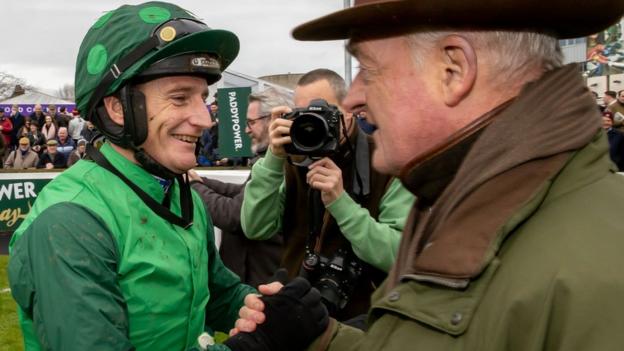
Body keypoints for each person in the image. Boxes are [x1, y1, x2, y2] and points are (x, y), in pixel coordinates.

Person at [232, 0, 624, 350]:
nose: (353, 98)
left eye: (368, 69)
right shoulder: (464, 192)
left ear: (453, 70)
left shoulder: (594, 274)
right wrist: (325, 337)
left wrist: (342, 204)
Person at [7, 3, 272, 350]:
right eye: (180, 98)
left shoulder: (183, 196)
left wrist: (263, 308)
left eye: (202, 98)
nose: (205, 119)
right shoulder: (69, 222)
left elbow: (218, 294)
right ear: (118, 108)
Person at [241, 68, 414, 322]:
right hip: (297, 313)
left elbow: (400, 253)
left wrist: (341, 204)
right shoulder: (292, 158)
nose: (312, 121)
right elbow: (255, 227)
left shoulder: (388, 161)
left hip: (363, 320)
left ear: (348, 110)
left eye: (324, 112)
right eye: (304, 113)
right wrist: (273, 159)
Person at [190, 88, 291, 288]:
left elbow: (236, 214)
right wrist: (202, 181)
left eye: (251, 122)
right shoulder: (271, 160)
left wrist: (193, 186)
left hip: (262, 282)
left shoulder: (285, 164)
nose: (245, 130)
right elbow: (244, 193)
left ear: (274, 120)